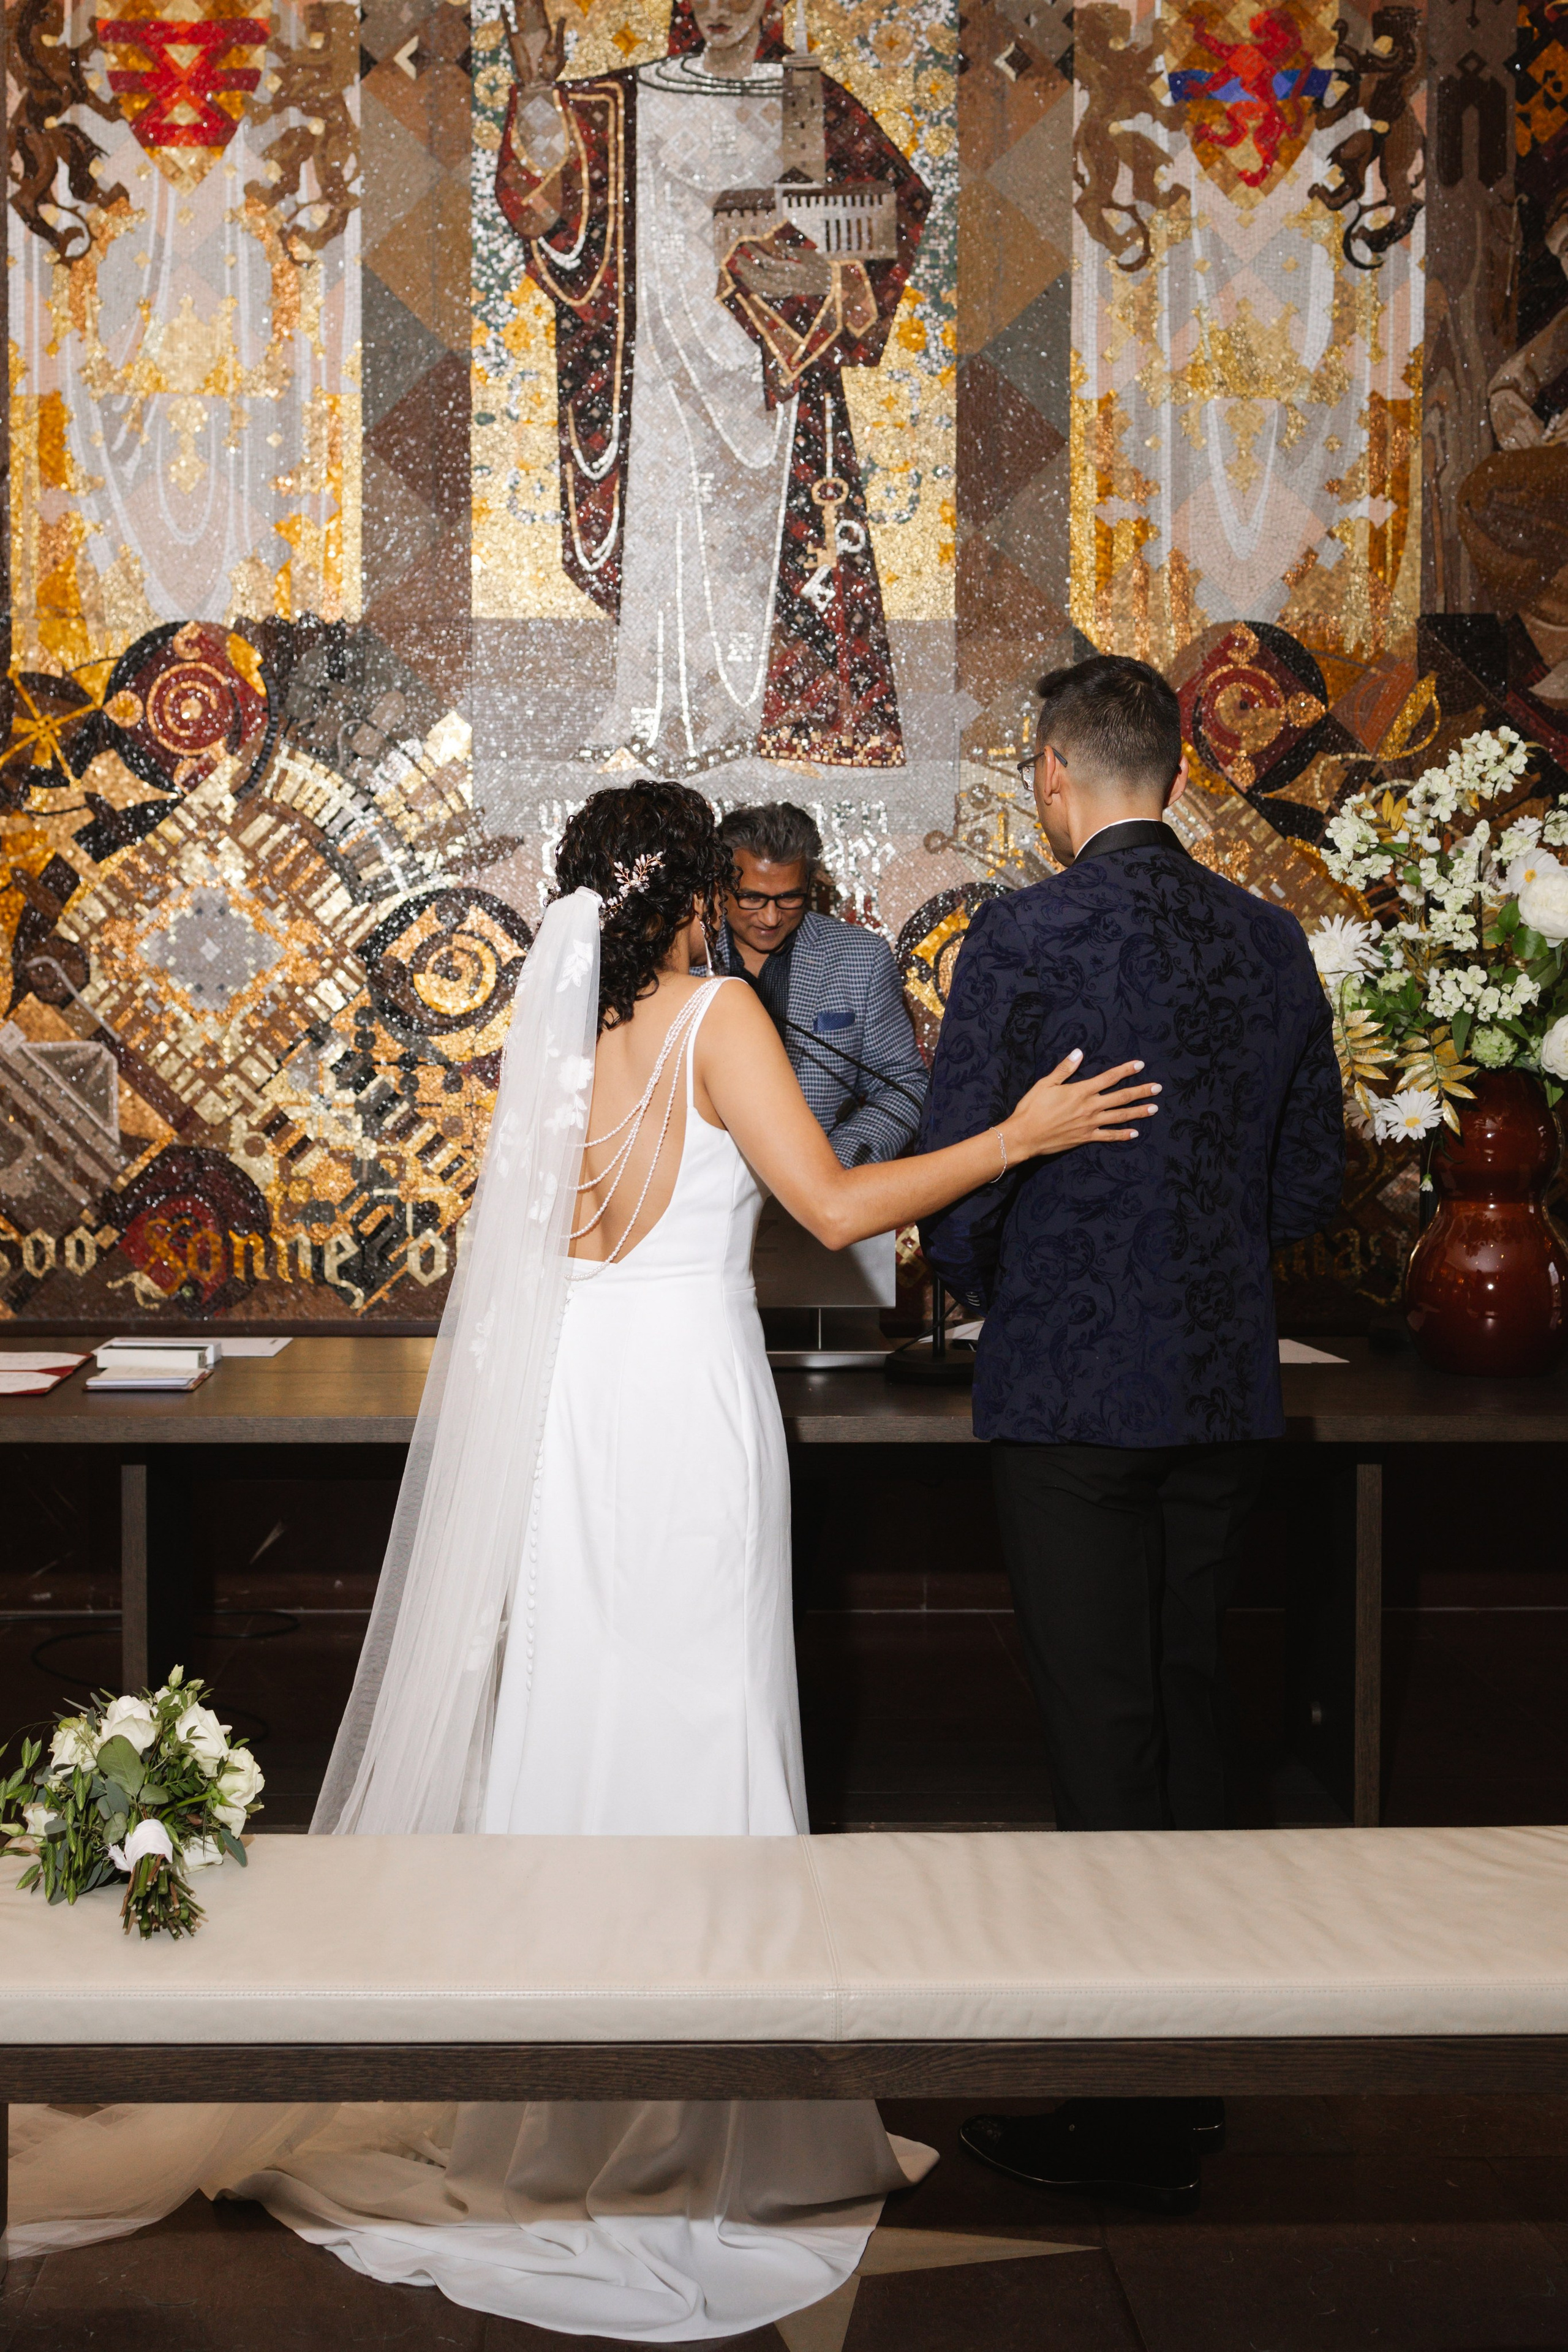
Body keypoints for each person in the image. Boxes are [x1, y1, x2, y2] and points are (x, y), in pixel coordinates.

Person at [9, 781, 1159, 2335]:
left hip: (574, 1410)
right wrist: (1014, 1134)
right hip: (683, 1408)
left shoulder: (560, 1037)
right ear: (693, 894)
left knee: (575, 1721)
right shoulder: (716, 1016)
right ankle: (696, 2115)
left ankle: (550, 2096)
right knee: (696, 1725)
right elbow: (824, 1204)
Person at [918, 656, 1345, 2215]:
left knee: (1099, 1728)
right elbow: (1308, 1183)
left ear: (1051, 775)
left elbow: (961, 1174)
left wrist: (982, 1269)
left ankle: (1123, 2104)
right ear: (1171, 771)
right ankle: (1198, 2068)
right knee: (1188, 1705)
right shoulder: (1265, 937)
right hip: (1222, 1386)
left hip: (1069, 1392)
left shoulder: (1024, 933)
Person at [496, 0, 929, 772]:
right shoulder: (630, 98)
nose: (721, 10)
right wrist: (535, 92)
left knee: (755, 539)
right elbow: (551, 208)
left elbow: (891, 211)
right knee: (666, 531)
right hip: (664, 359)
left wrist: (797, 261)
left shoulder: (804, 96)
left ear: (770, 4)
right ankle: (649, 710)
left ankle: (753, 711)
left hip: (769, 359)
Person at [717, 801, 929, 1163]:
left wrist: (832, 1168)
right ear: (719, 885)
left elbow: (905, 1086)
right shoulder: (677, 959)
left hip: (815, 1197)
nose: (770, 918)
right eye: (752, 897)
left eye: (789, 898)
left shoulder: (861, 958)